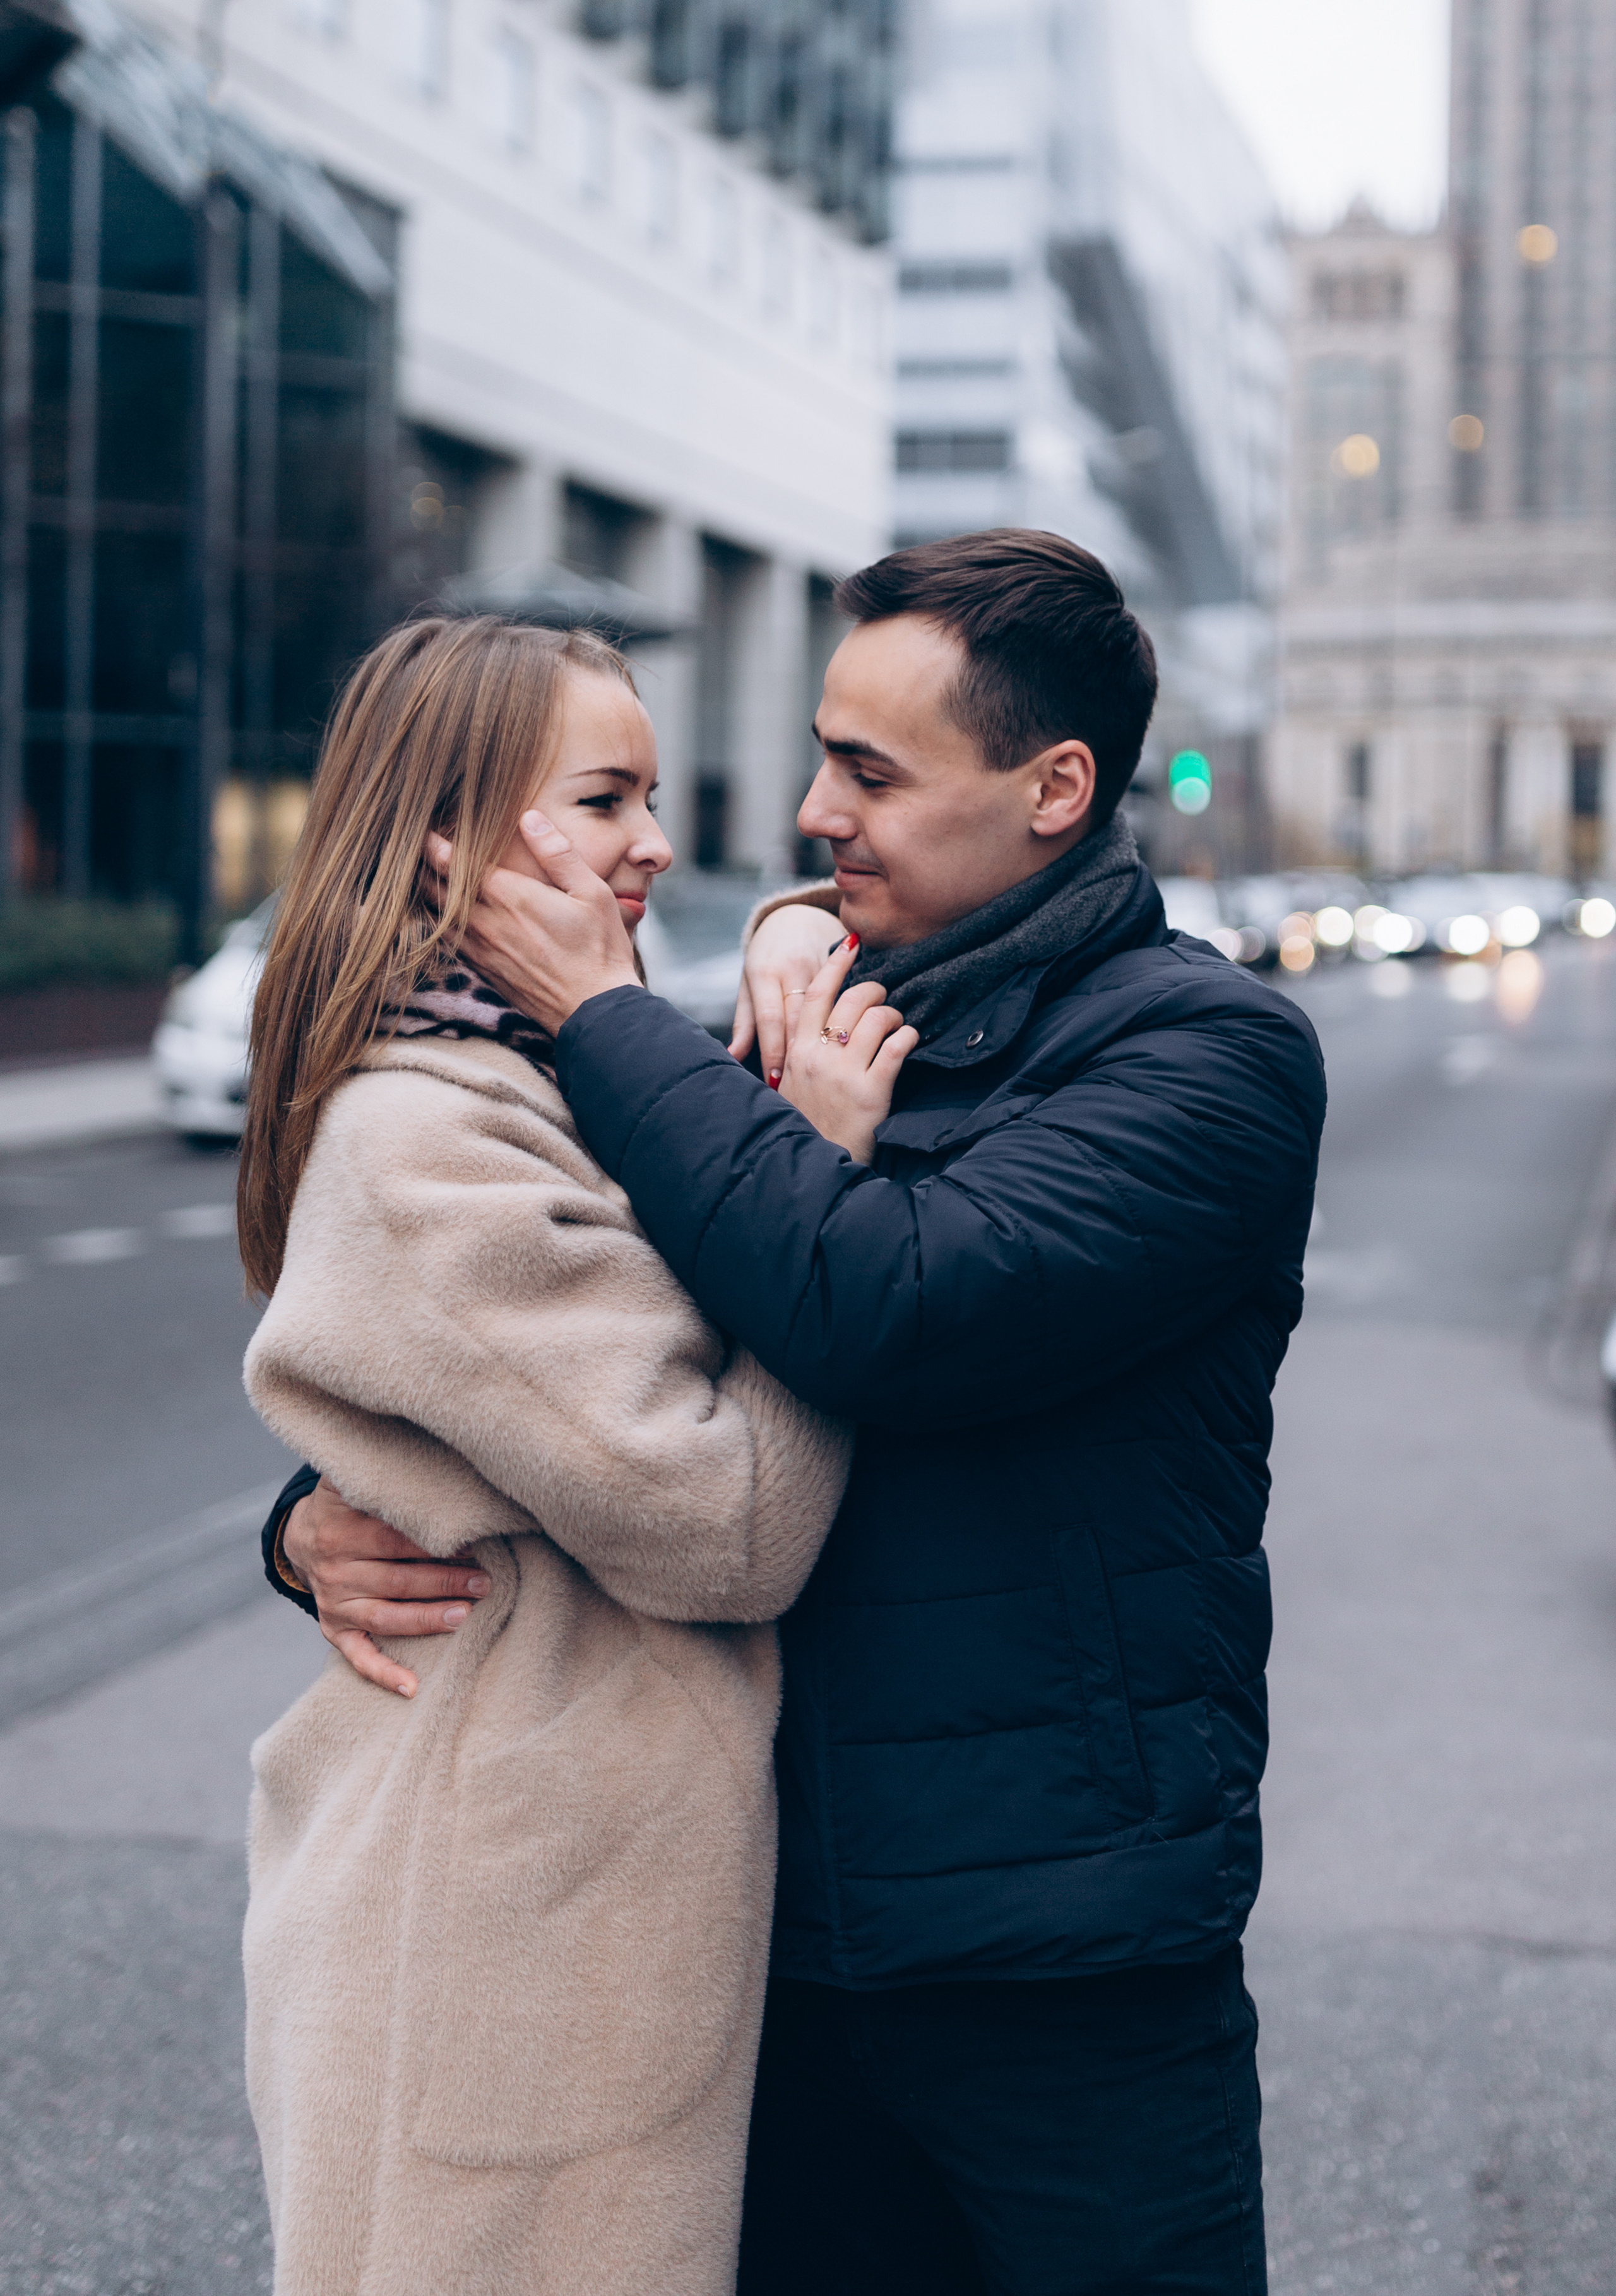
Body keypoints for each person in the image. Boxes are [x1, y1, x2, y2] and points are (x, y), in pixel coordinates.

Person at [270, 532, 1328, 2294]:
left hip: (1055, 1963)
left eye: (870, 772)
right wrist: (323, 1513)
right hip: (758, 1949)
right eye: (824, 756)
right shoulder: (782, 1031)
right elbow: (577, 1355)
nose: (814, 813)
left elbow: (880, 1302)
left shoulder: (1201, 1057)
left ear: (1054, 789)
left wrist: (613, 1017)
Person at [234, 614, 869, 2296]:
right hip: (507, 1935)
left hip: (559, 1905)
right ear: (450, 838)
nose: (658, 843)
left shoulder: (553, 1075)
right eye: (605, 800)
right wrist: (809, 1180)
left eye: (654, 794)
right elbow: (729, 1526)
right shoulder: (430, 1137)